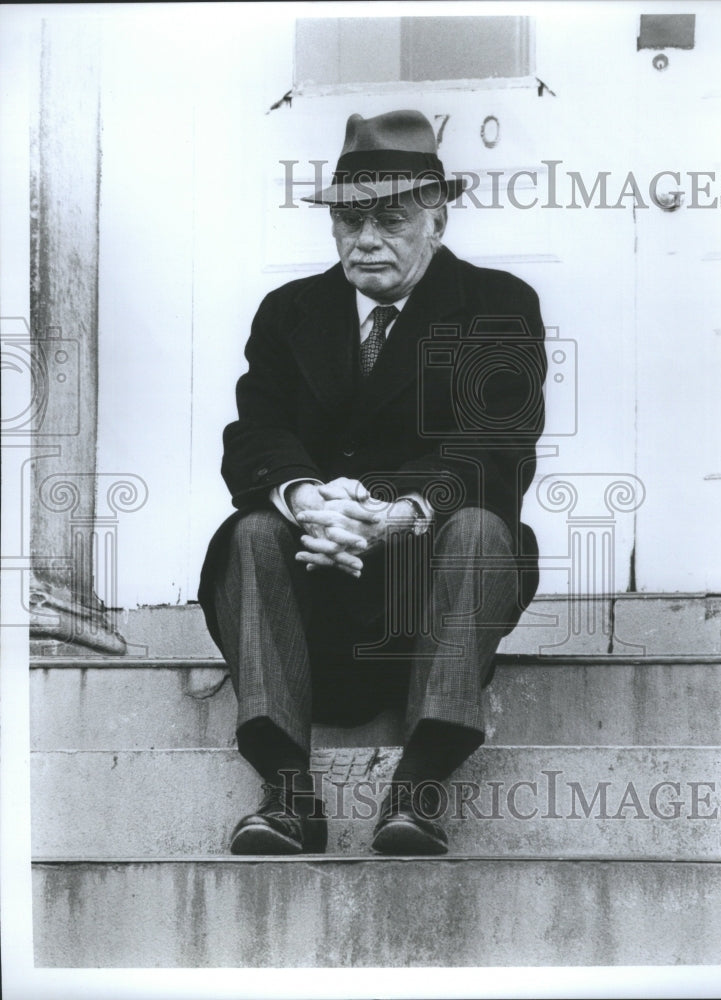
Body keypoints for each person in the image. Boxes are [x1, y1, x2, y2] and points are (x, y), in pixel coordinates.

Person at [198, 109, 546, 856]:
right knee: (252, 528)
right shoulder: (289, 311)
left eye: (389, 220)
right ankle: (288, 796)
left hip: (428, 593)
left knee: (486, 527)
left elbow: (498, 445)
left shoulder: (497, 305)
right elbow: (253, 434)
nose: (364, 240)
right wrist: (305, 498)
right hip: (320, 587)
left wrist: (394, 509)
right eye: (348, 220)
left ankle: (417, 794)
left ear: (438, 220)